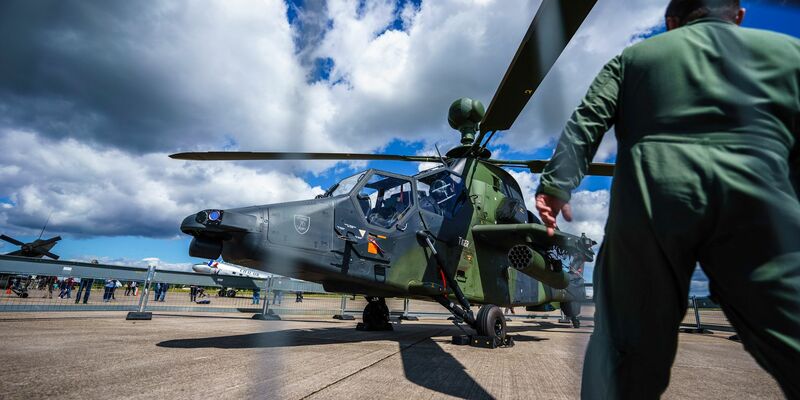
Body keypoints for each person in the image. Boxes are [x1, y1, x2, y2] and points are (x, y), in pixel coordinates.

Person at [534, 1, 800, 398]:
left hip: (652, 196)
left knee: (626, 350)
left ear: (672, 22)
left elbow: (587, 120)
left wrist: (556, 187)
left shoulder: (633, 58)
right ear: (739, 16)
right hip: (760, 200)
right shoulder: (790, 53)